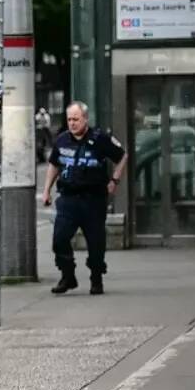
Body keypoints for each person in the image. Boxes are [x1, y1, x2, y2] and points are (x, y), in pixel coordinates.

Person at [42, 101, 128, 295]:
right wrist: (46, 190)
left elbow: (122, 155)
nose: (72, 123)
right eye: (69, 119)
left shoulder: (100, 139)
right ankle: (68, 276)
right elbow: (54, 165)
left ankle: (96, 278)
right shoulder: (62, 140)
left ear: (85, 119)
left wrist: (115, 179)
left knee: (96, 243)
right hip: (68, 199)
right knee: (59, 240)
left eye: (76, 119)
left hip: (93, 199)